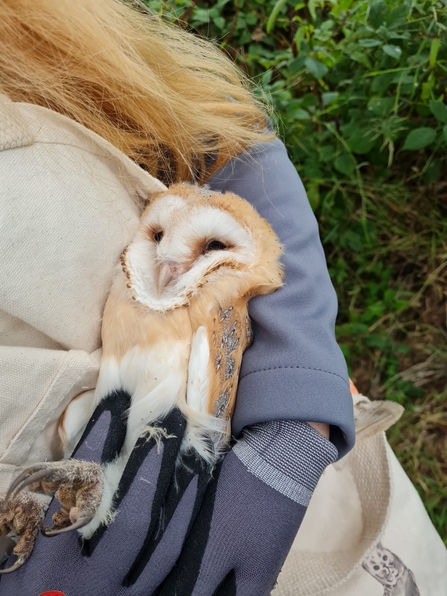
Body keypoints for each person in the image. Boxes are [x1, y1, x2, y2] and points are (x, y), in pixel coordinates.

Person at [0, 0, 354, 594]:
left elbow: (223, 135)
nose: (169, 261)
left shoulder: (29, 30)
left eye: (204, 244)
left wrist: (293, 423)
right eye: (158, 238)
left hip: (311, 517)